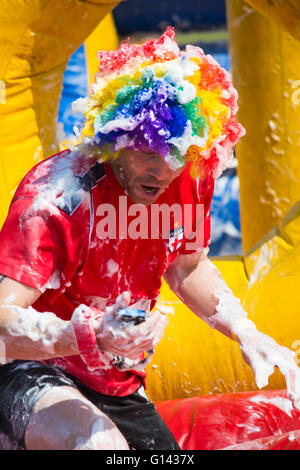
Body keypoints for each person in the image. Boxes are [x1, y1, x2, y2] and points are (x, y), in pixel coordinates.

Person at [0, 27, 299, 451]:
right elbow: (1, 320)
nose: (160, 171)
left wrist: (245, 331)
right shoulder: (57, 195)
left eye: (174, 153)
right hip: (26, 367)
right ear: (113, 140)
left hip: (112, 377)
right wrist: (90, 335)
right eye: (144, 152)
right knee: (97, 444)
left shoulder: (189, 176)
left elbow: (187, 265)